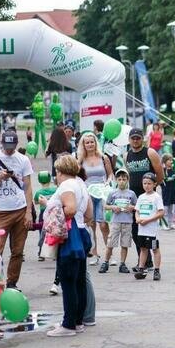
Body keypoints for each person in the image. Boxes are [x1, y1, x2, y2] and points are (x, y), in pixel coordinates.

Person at [44, 155, 94, 337]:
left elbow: (70, 209)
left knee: (68, 281)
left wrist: (52, 216)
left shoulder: (66, 185)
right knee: (79, 281)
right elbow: (89, 213)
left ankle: (68, 325)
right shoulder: (81, 184)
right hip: (81, 231)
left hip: (70, 235)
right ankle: (77, 321)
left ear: (60, 171)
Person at [0, 130, 34, 290]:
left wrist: (28, 212)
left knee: (18, 251)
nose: (10, 149)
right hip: (1, 211)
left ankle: (12, 283)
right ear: (2, 144)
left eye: (12, 146)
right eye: (7, 145)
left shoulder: (23, 159)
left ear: (17, 144)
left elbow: (28, 187)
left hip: (20, 209)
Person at [125, 127, 164, 270]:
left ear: (142, 139)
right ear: (129, 140)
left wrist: (152, 191)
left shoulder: (150, 152)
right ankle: (144, 262)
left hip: (149, 198)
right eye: (133, 138)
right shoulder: (126, 155)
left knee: (150, 230)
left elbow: (160, 174)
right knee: (136, 230)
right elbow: (128, 176)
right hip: (135, 198)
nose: (135, 140)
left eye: (138, 138)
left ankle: (153, 262)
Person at [77, 132, 113, 266]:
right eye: (87, 142)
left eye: (92, 142)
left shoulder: (104, 158)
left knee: (103, 225)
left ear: (95, 143)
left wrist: (107, 183)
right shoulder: (80, 160)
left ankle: (109, 255)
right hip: (88, 195)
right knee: (90, 225)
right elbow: (77, 177)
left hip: (102, 194)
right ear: (83, 145)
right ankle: (95, 254)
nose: (90, 144)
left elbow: (110, 175)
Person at [100, 168, 137, 274]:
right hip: (116, 221)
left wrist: (132, 207)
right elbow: (106, 205)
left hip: (127, 222)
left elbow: (136, 205)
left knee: (125, 244)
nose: (122, 181)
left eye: (124, 179)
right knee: (110, 243)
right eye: (119, 179)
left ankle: (122, 264)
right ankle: (105, 262)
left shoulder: (131, 194)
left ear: (127, 180)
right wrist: (112, 207)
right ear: (116, 180)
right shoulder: (113, 193)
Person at [134, 173, 164, 281]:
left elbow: (161, 213)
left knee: (155, 249)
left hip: (152, 230)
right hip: (142, 230)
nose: (147, 186)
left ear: (154, 184)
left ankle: (157, 270)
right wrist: (137, 218)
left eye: (149, 183)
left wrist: (148, 220)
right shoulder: (141, 197)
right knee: (143, 248)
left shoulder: (156, 197)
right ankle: (141, 269)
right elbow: (137, 211)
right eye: (145, 183)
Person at [34, 171, 57, 261]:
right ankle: (54, 252)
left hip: (43, 214)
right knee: (54, 232)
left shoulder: (38, 192)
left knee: (42, 232)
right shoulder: (55, 190)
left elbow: (36, 202)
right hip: (53, 213)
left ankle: (41, 253)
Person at [160, 154, 175, 231]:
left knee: (171, 208)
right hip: (166, 192)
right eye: (169, 160)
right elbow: (164, 179)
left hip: (172, 191)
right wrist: (173, 177)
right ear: (165, 161)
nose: (171, 162)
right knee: (165, 208)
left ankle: (170, 223)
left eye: (171, 160)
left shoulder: (172, 169)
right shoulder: (163, 170)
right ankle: (163, 224)